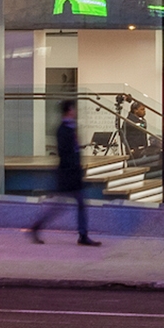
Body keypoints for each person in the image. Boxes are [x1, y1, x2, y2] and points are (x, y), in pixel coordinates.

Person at [29, 97, 100, 246]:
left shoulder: (69, 128)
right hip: (68, 174)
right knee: (66, 205)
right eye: (73, 109)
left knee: (66, 205)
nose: (75, 111)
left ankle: (81, 234)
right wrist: (74, 170)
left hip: (70, 173)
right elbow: (66, 153)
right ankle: (82, 235)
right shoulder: (64, 130)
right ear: (69, 111)